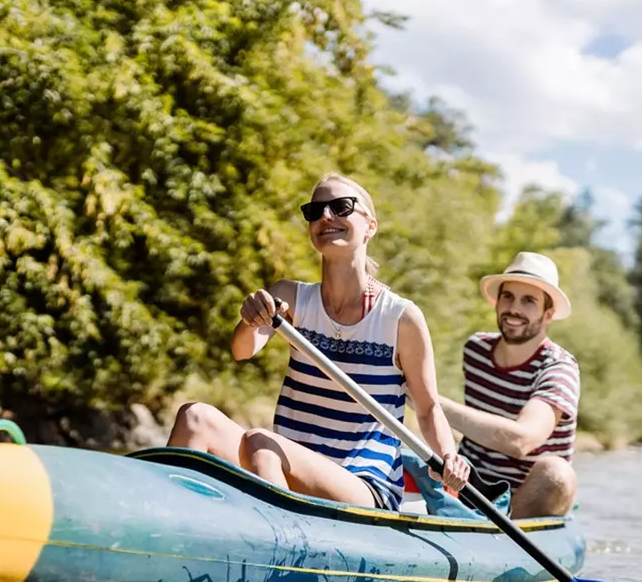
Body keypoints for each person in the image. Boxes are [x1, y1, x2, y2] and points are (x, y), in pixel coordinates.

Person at [167, 174, 470, 510]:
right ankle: (162, 533)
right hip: (278, 464)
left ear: (370, 226)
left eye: (341, 207)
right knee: (194, 417)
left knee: (261, 443)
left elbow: (427, 409)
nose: (326, 217)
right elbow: (242, 350)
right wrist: (251, 318)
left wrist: (448, 457)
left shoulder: (401, 317)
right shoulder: (289, 297)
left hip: (363, 485)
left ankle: (282, 547)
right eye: (315, 211)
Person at [435, 252, 580, 519]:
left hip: (527, 500)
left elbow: (521, 441)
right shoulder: (476, 350)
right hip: (471, 485)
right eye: (508, 297)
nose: (514, 309)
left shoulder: (560, 368)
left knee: (556, 473)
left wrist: (430, 402)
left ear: (547, 314)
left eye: (529, 301)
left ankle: (502, 537)